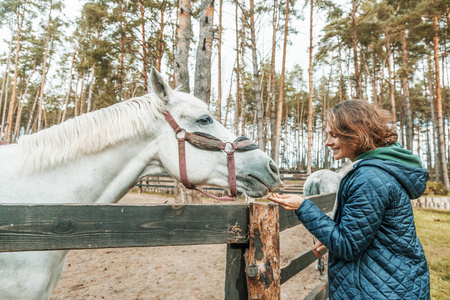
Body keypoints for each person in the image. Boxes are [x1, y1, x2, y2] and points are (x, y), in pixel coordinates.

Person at [268, 100, 430, 299]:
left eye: (334, 135)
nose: (328, 142)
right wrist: (330, 240)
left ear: (356, 133)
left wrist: (302, 206)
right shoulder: (377, 171)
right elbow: (366, 232)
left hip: (380, 289)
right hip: (391, 282)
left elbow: (348, 246)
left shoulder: (368, 178)